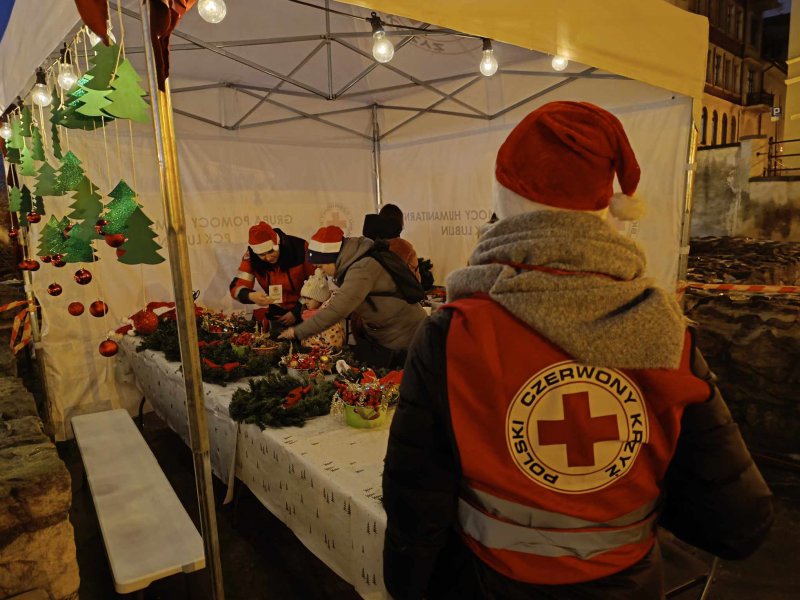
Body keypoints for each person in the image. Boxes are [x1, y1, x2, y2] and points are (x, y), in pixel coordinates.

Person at [382, 101, 773, 600]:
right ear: (602, 212)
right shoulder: (667, 332)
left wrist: (409, 585)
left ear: (505, 203)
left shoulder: (453, 333)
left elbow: (417, 500)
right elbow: (740, 522)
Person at [279, 225, 426, 368]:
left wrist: (297, 331)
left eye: (321, 266)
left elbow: (336, 310)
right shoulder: (355, 263)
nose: (322, 272)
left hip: (404, 334)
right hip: (388, 333)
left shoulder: (361, 269)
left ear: (331, 258)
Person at [229, 221, 315, 330]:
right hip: (277, 312)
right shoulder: (251, 258)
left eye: (270, 252)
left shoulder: (300, 247)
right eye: (262, 255)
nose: (268, 258)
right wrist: (251, 296)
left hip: (306, 308)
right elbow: (236, 288)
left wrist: (297, 311)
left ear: (277, 243)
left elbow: (316, 283)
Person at [363, 204, 421, 282]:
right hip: (398, 293)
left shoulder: (367, 244)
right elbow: (416, 281)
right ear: (400, 223)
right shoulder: (405, 248)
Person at [298, 268, 345, 348]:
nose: (306, 302)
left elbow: (333, 343)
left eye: (309, 298)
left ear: (320, 299)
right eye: (304, 298)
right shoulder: (308, 314)